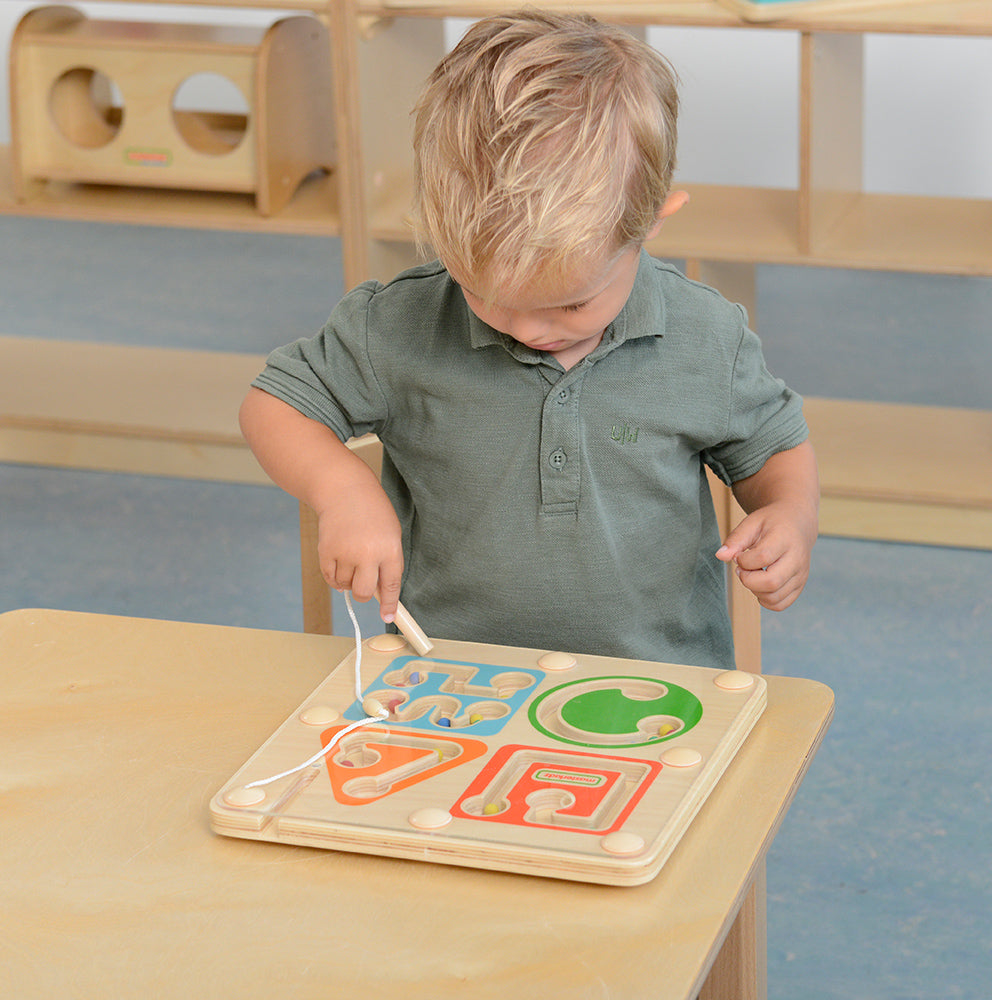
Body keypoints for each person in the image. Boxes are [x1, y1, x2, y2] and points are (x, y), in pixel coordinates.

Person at [239, 10, 819, 668]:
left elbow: (777, 451)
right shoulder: (397, 323)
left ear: (653, 221)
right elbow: (273, 405)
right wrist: (343, 491)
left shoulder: (706, 337)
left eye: (570, 302)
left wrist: (788, 518)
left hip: (658, 690)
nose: (527, 327)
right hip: (449, 683)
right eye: (482, 294)